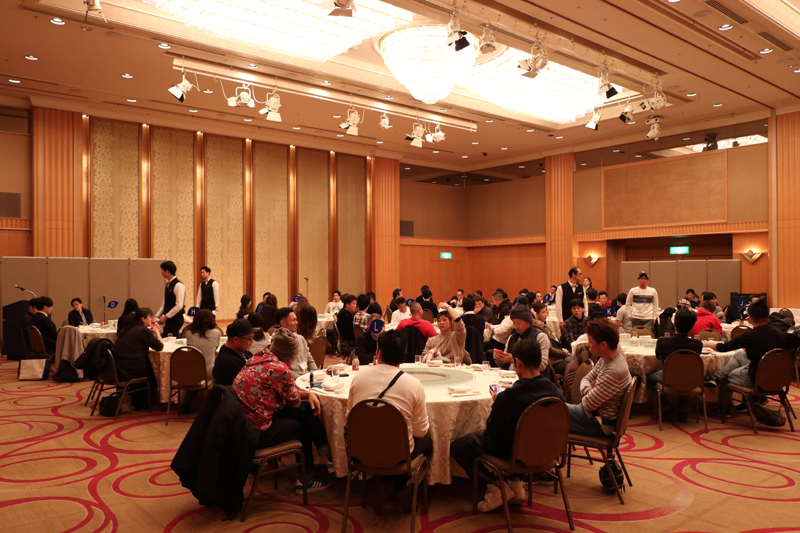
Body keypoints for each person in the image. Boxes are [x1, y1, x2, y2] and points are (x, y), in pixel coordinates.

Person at [451, 337, 564, 512]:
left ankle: (496, 487)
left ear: (518, 363)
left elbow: (492, 435)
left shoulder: (508, 398)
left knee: (457, 447)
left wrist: (497, 404)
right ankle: (516, 484)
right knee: (515, 436)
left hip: (513, 452)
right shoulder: (556, 393)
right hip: (547, 450)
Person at [234, 327, 331, 494]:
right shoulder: (280, 369)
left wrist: (308, 394)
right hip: (259, 432)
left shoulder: (258, 357)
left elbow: (287, 397)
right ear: (290, 357)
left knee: (304, 410)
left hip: (244, 425)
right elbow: (294, 402)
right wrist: (308, 395)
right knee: (303, 423)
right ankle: (308, 477)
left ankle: (325, 452)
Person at [347, 328, 431, 512]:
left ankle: (385, 483)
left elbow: (349, 419)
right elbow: (420, 431)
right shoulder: (413, 385)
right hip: (398, 454)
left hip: (361, 450)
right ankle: (399, 484)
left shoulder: (358, 378)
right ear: (403, 356)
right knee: (427, 441)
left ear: (379, 352)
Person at [703, 298, 787, 394]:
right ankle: (716, 377)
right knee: (740, 353)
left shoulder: (750, 336)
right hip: (780, 377)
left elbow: (723, 348)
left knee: (728, 375)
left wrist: (707, 344)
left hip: (757, 379)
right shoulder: (780, 333)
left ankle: (726, 402)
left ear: (750, 317)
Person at [568, 318, 632, 437]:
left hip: (599, 424)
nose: (588, 345)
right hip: (593, 415)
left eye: (590, 341)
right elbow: (585, 379)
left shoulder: (614, 370)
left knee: (552, 410)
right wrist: (589, 391)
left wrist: (588, 395)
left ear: (603, 345)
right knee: (552, 407)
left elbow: (588, 404)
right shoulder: (606, 359)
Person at [646, 308, 703, 422]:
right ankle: (683, 408)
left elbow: (658, 356)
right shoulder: (698, 344)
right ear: (692, 326)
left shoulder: (662, 342)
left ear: (674, 323)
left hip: (668, 378)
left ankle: (666, 406)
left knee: (649, 377)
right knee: (685, 372)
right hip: (690, 378)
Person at [114, 307, 163, 407]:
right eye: (149, 317)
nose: (151, 319)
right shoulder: (143, 330)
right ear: (143, 319)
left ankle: (142, 399)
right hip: (131, 369)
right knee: (153, 370)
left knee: (147, 363)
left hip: (119, 367)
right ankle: (146, 401)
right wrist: (156, 332)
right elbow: (159, 347)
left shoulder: (127, 328)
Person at [181, 309, 222, 414]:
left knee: (196, 371)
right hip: (209, 372)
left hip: (191, 373)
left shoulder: (189, 334)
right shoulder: (216, 333)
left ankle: (186, 404)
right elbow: (216, 347)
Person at [493, 302, 551, 372]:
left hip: (532, 377)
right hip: (511, 375)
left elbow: (542, 366)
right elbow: (504, 365)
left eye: (519, 323)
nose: (516, 326)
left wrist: (514, 360)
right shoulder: (512, 337)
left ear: (528, 322)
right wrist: (499, 358)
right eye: (514, 323)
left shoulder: (540, 337)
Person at [275, 307, 318, 379]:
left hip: (306, 376)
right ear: (283, 323)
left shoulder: (300, 338)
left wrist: (316, 373)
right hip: (293, 379)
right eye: (293, 320)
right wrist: (301, 379)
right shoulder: (278, 342)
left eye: (296, 319)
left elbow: (309, 359)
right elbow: (282, 368)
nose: (296, 323)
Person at [212, 319, 254, 386]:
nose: (252, 341)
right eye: (250, 338)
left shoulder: (242, 351)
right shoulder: (229, 363)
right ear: (236, 340)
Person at [155, 260, 186, 337]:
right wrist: (156, 316)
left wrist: (165, 317)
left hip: (176, 319)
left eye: (162, 270)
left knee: (171, 339)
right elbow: (164, 304)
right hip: (169, 319)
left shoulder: (178, 285)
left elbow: (179, 305)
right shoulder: (168, 285)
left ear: (167, 271)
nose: (161, 272)